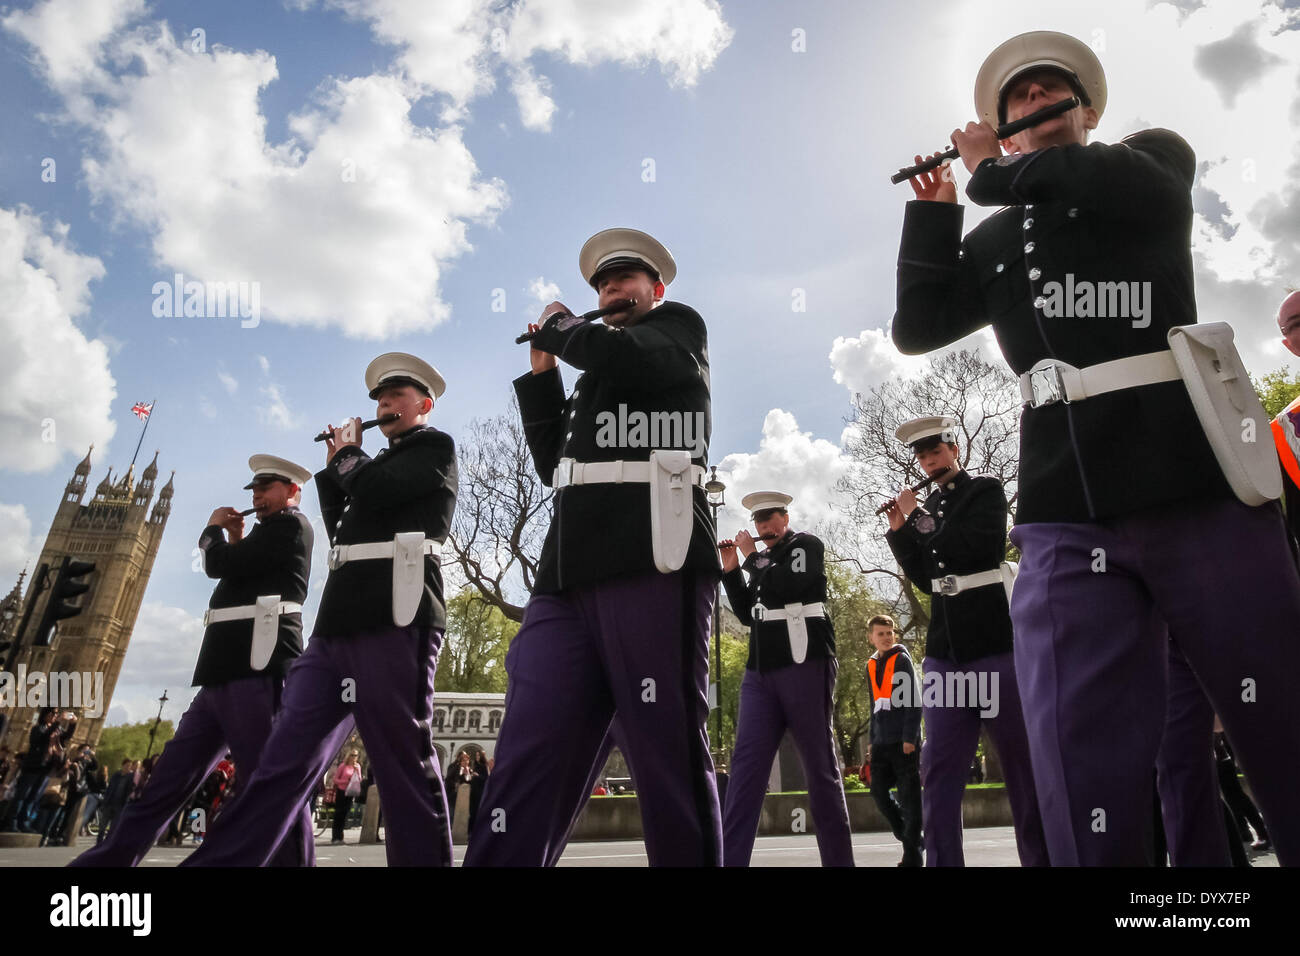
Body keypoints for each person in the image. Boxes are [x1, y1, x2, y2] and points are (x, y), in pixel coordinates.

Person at [893, 29, 1300, 865]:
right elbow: (916, 328)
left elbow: (1082, 177)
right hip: (1062, 505)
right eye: (1020, 104)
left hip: (1192, 479)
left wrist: (988, 172)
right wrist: (934, 221)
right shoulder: (997, 236)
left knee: (1279, 718)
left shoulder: (1148, 160)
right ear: (1002, 126)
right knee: (1077, 747)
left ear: (1087, 107)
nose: (1038, 108)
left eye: (1052, 94)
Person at [466, 228, 723, 867]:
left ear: (655, 290)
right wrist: (544, 374)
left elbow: (633, 361)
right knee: (531, 745)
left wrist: (564, 331)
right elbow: (556, 460)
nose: (611, 288)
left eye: (625, 279)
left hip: (649, 554)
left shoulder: (677, 331)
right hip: (566, 569)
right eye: (603, 284)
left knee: (665, 751)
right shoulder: (594, 373)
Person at [184, 352, 458, 868]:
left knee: (402, 762)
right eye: (378, 398)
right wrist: (336, 468)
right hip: (336, 628)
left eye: (395, 397)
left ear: (422, 405)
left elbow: (378, 490)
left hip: (396, 616)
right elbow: (345, 529)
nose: (383, 404)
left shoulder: (434, 448)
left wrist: (348, 457)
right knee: (279, 763)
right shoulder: (367, 465)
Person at [70, 454, 316, 868]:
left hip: (257, 669)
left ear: (292, 491)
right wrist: (236, 539)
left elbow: (219, 566)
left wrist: (212, 531)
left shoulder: (291, 526)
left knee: (267, 784)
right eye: (254, 490)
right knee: (167, 782)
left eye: (266, 489)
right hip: (222, 672)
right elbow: (244, 576)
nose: (256, 497)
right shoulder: (266, 535)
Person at [883, 416, 1047, 866]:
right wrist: (901, 532)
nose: (928, 461)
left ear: (953, 449)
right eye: (921, 455)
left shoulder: (985, 491)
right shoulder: (930, 506)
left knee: (1021, 768)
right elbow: (927, 577)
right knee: (938, 771)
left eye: (935, 452)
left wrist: (917, 517)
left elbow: (974, 547)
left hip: (994, 645)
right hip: (944, 653)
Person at [719, 490, 854, 867]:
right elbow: (748, 613)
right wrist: (731, 569)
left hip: (805, 660)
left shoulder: (805, 545)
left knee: (819, 767)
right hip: (761, 667)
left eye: (771, 519)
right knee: (745, 770)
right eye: (759, 522)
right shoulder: (760, 560)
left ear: (785, 518)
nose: (765, 527)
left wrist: (749, 556)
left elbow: (792, 586)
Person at [865, 615, 923, 867]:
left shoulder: (902, 660)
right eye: (881, 634)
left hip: (903, 741)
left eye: (889, 633)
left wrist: (910, 737)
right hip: (880, 742)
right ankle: (910, 837)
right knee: (878, 791)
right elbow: (873, 705)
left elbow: (914, 701)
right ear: (871, 638)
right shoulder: (870, 665)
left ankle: (912, 856)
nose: (887, 638)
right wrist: (870, 739)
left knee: (910, 798)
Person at [1, 708, 75, 832]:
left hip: (46, 768)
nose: (55, 716)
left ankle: (23, 822)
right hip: (33, 767)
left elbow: (67, 736)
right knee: (22, 796)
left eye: (56, 714)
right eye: (53, 714)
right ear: (45, 715)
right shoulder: (38, 728)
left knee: (33, 797)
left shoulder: (57, 730)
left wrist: (73, 724)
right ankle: (12, 822)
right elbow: (43, 738)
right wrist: (58, 722)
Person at [330, 750, 363, 845]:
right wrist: (345, 781)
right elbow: (335, 779)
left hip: (350, 793)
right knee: (338, 814)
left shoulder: (357, 766)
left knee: (345, 814)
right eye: (352, 755)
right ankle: (335, 837)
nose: (354, 757)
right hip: (341, 792)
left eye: (356, 755)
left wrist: (357, 771)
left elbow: (359, 779)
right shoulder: (343, 766)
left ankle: (340, 837)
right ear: (349, 756)